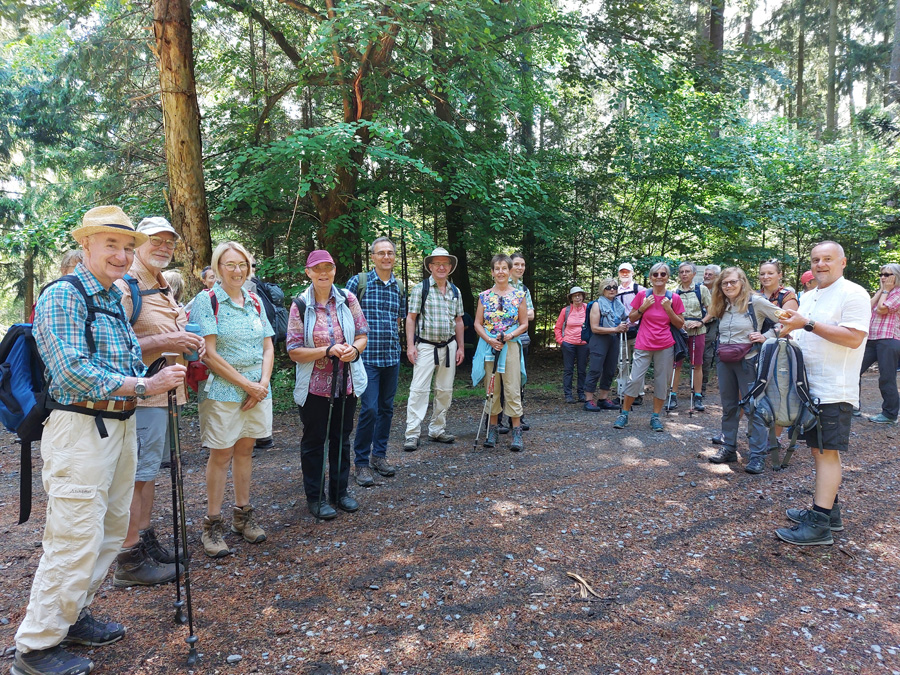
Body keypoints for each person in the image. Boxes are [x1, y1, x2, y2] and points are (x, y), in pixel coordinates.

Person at [13, 206, 186, 675]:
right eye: (111, 244)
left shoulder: (113, 298)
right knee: (73, 537)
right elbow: (71, 370)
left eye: (127, 247)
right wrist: (146, 386)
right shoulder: (63, 296)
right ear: (86, 245)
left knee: (109, 531)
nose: (121, 254)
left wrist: (158, 369)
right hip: (80, 430)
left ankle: (72, 616)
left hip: (120, 425)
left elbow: (123, 364)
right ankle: (35, 647)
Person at [111, 217, 204, 588]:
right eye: (155, 241)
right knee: (137, 476)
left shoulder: (161, 284)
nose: (164, 247)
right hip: (141, 396)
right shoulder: (126, 284)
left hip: (164, 392)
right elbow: (116, 344)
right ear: (137, 243)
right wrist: (170, 342)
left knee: (148, 472)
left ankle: (145, 541)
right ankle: (129, 559)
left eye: (169, 242)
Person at [773, 241, 870, 545]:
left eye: (828, 259)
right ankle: (831, 512)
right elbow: (803, 331)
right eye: (816, 259)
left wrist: (809, 323)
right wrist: (789, 328)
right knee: (818, 450)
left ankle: (818, 526)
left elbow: (854, 338)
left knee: (827, 454)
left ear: (842, 262)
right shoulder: (809, 295)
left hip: (833, 389)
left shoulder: (853, 293)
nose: (821, 264)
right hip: (808, 389)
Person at [191, 241, 275, 557]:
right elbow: (209, 355)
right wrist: (248, 386)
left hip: (256, 388)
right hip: (224, 390)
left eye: (242, 264)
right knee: (221, 453)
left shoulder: (254, 300)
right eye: (230, 264)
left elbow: (268, 346)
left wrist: (262, 383)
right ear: (217, 268)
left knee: (245, 448)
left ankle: (243, 515)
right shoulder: (207, 300)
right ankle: (212, 525)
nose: (237, 270)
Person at [288, 250, 368, 519]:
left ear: (334, 270)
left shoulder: (348, 298)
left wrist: (353, 352)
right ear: (308, 272)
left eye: (328, 267)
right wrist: (327, 350)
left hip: (345, 384)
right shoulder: (299, 305)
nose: (324, 273)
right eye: (317, 268)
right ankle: (316, 497)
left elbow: (361, 334)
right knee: (314, 441)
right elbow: (294, 350)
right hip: (314, 388)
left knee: (341, 438)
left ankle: (340, 492)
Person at [706, 267, 782, 473]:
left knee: (753, 408)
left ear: (742, 281)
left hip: (748, 361)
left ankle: (757, 455)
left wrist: (767, 336)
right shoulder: (722, 304)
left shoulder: (754, 302)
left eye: (732, 282)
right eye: (724, 283)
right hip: (725, 361)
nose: (728, 286)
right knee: (729, 406)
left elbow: (786, 319)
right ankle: (728, 448)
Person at [345, 237, 406, 487]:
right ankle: (360, 463)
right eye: (381, 253)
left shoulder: (399, 287)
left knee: (386, 409)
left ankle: (378, 456)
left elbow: (399, 320)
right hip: (365, 358)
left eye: (390, 253)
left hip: (391, 356)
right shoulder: (358, 282)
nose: (386, 257)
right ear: (372, 256)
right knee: (369, 409)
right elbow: (343, 316)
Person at [402, 247, 465, 451]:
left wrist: (461, 347)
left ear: (450, 267)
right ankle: (412, 433)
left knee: (445, 390)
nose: (441, 267)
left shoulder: (455, 291)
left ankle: (437, 429)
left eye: (445, 263)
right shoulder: (421, 289)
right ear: (430, 267)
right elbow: (410, 319)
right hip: (426, 346)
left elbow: (459, 321)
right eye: (437, 263)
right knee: (419, 390)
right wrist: (411, 346)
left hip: (449, 345)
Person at [613, 262, 685, 433]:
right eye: (655, 274)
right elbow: (631, 317)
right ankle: (624, 414)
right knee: (634, 379)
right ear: (651, 277)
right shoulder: (643, 295)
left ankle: (655, 417)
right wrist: (643, 308)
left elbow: (680, 323)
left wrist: (668, 309)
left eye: (663, 274)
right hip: (644, 343)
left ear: (667, 277)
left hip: (665, 345)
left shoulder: (674, 298)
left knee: (661, 382)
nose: (659, 277)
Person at [472, 254, 529, 451]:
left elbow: (524, 323)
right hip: (490, 346)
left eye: (504, 268)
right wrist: (489, 339)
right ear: (492, 272)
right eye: (497, 268)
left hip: (510, 345)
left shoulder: (519, 295)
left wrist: (509, 335)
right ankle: (492, 429)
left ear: (510, 270)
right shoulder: (484, 296)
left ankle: (516, 430)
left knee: (512, 387)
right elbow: (477, 323)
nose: (501, 272)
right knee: (492, 388)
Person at [496, 252, 535, 433]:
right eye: (517, 264)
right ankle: (498, 420)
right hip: (502, 340)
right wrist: (518, 314)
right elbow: (498, 314)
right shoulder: (501, 283)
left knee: (519, 379)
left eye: (523, 265)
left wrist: (516, 314)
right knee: (501, 380)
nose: (520, 268)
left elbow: (532, 315)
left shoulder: (524, 289)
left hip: (521, 340)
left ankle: (516, 418)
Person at [858, 263, 900, 424]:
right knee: (854, 371)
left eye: (887, 275)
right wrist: (882, 290)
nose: (883, 277)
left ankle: (890, 414)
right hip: (872, 339)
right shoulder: (883, 291)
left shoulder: (897, 293)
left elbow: (882, 309)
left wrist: (886, 291)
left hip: (889, 339)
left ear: (896, 276)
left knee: (886, 378)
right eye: (881, 274)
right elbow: (867, 307)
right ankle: (853, 406)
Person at [670, 262, 711, 411]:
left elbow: (712, 310)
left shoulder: (702, 290)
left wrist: (700, 322)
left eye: (687, 271)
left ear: (693, 274)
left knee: (697, 363)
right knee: (676, 364)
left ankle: (698, 396)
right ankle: (672, 395)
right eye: (681, 272)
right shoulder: (674, 292)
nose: (684, 274)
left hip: (697, 331)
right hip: (679, 331)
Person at [583, 278, 628, 411]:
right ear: (603, 289)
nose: (612, 289)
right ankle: (588, 399)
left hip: (614, 339)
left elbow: (624, 319)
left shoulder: (618, 304)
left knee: (610, 369)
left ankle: (603, 398)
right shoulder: (597, 305)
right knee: (595, 369)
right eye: (608, 287)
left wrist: (623, 327)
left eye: (614, 287)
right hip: (599, 339)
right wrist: (615, 329)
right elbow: (594, 328)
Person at [617, 262, 645, 404]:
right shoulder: (615, 290)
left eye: (627, 271)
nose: (625, 274)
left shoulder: (639, 289)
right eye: (622, 272)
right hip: (621, 331)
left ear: (633, 273)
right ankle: (621, 393)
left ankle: (637, 394)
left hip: (638, 331)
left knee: (638, 364)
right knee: (622, 364)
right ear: (618, 274)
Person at [554, 286, 589, 403]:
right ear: (571, 298)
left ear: (583, 297)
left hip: (584, 344)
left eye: (580, 295)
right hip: (568, 344)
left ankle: (581, 394)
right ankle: (568, 395)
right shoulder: (566, 310)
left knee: (582, 370)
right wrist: (561, 341)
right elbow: (558, 327)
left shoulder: (588, 308)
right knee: (568, 370)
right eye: (575, 295)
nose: (578, 297)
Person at [700, 264, 721, 399]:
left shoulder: (721, 291)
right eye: (705, 274)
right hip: (694, 325)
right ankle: (694, 386)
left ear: (716, 277)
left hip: (711, 326)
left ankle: (701, 387)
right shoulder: (697, 288)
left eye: (710, 275)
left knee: (706, 357)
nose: (706, 276)